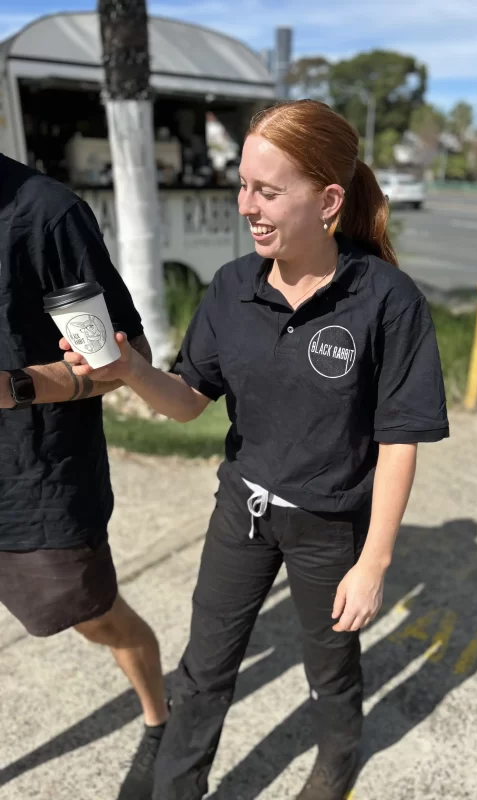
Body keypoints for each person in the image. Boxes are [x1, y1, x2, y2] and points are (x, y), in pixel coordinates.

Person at [63, 99, 449, 800]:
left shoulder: (386, 301)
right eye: (244, 185)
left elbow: (399, 440)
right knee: (204, 669)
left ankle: (337, 757)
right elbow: (188, 402)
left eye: (266, 191)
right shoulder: (232, 289)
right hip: (243, 509)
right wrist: (128, 372)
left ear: (328, 200)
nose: (247, 205)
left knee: (329, 664)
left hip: (329, 527)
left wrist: (374, 562)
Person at [0, 153, 169, 797]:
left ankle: (159, 719)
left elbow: (125, 362)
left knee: (93, 615)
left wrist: (13, 385)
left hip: (35, 482)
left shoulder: (44, 212)